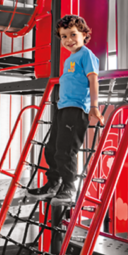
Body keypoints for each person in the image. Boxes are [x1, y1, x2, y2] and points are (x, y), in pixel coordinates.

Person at [27, 15, 105, 206]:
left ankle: (69, 188)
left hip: (76, 110)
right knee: (51, 149)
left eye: (73, 34)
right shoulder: (70, 58)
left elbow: (93, 80)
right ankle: (53, 184)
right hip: (62, 108)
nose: (68, 40)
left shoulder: (86, 55)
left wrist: (94, 106)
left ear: (84, 35)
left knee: (65, 150)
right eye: (64, 36)